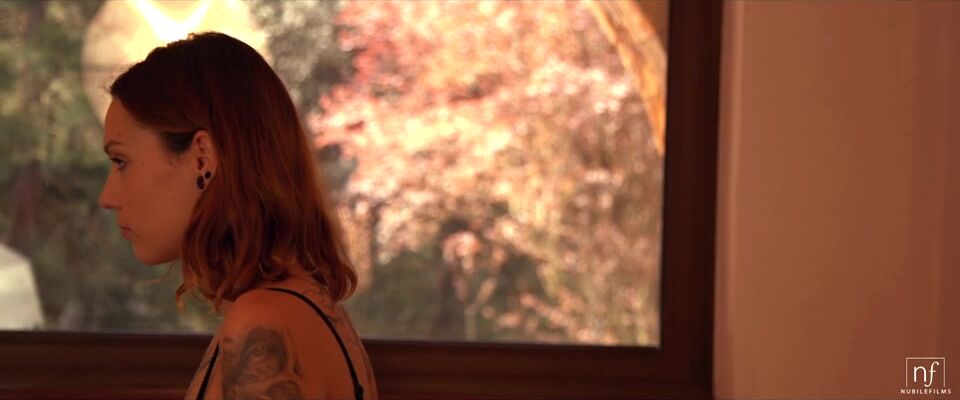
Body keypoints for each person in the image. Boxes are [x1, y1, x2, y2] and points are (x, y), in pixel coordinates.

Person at [97, 31, 379, 400]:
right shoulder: (296, 305)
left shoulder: (264, 321)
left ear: (202, 157)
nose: (107, 197)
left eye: (121, 161)